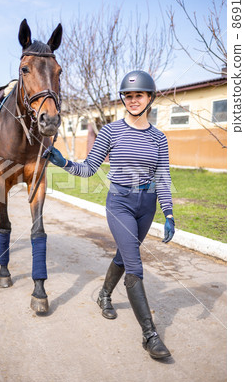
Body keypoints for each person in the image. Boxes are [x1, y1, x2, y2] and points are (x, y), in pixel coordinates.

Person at [46, 70, 175, 360]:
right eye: (127, 96)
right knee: (135, 265)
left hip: (148, 203)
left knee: (124, 255)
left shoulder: (159, 138)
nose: (132, 100)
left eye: (138, 95)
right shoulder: (110, 132)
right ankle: (150, 336)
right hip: (120, 202)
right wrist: (64, 162)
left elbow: (163, 176)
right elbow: (89, 168)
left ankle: (104, 294)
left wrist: (168, 213)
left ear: (150, 98)